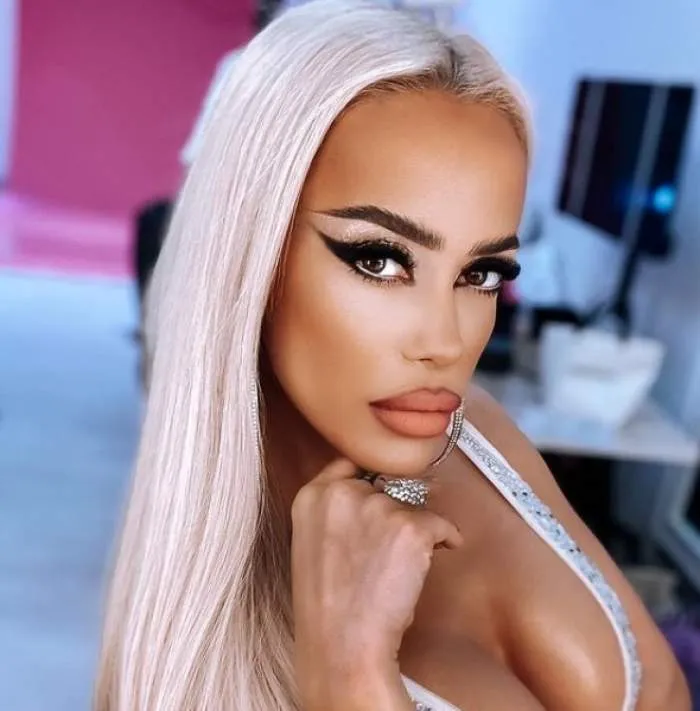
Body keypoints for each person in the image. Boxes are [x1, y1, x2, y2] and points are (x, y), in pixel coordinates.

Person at [94, 2, 689, 710]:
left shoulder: (477, 433)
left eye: (481, 273)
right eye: (379, 259)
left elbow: (662, 691)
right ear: (251, 255)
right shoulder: (195, 667)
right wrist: (349, 673)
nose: (446, 341)